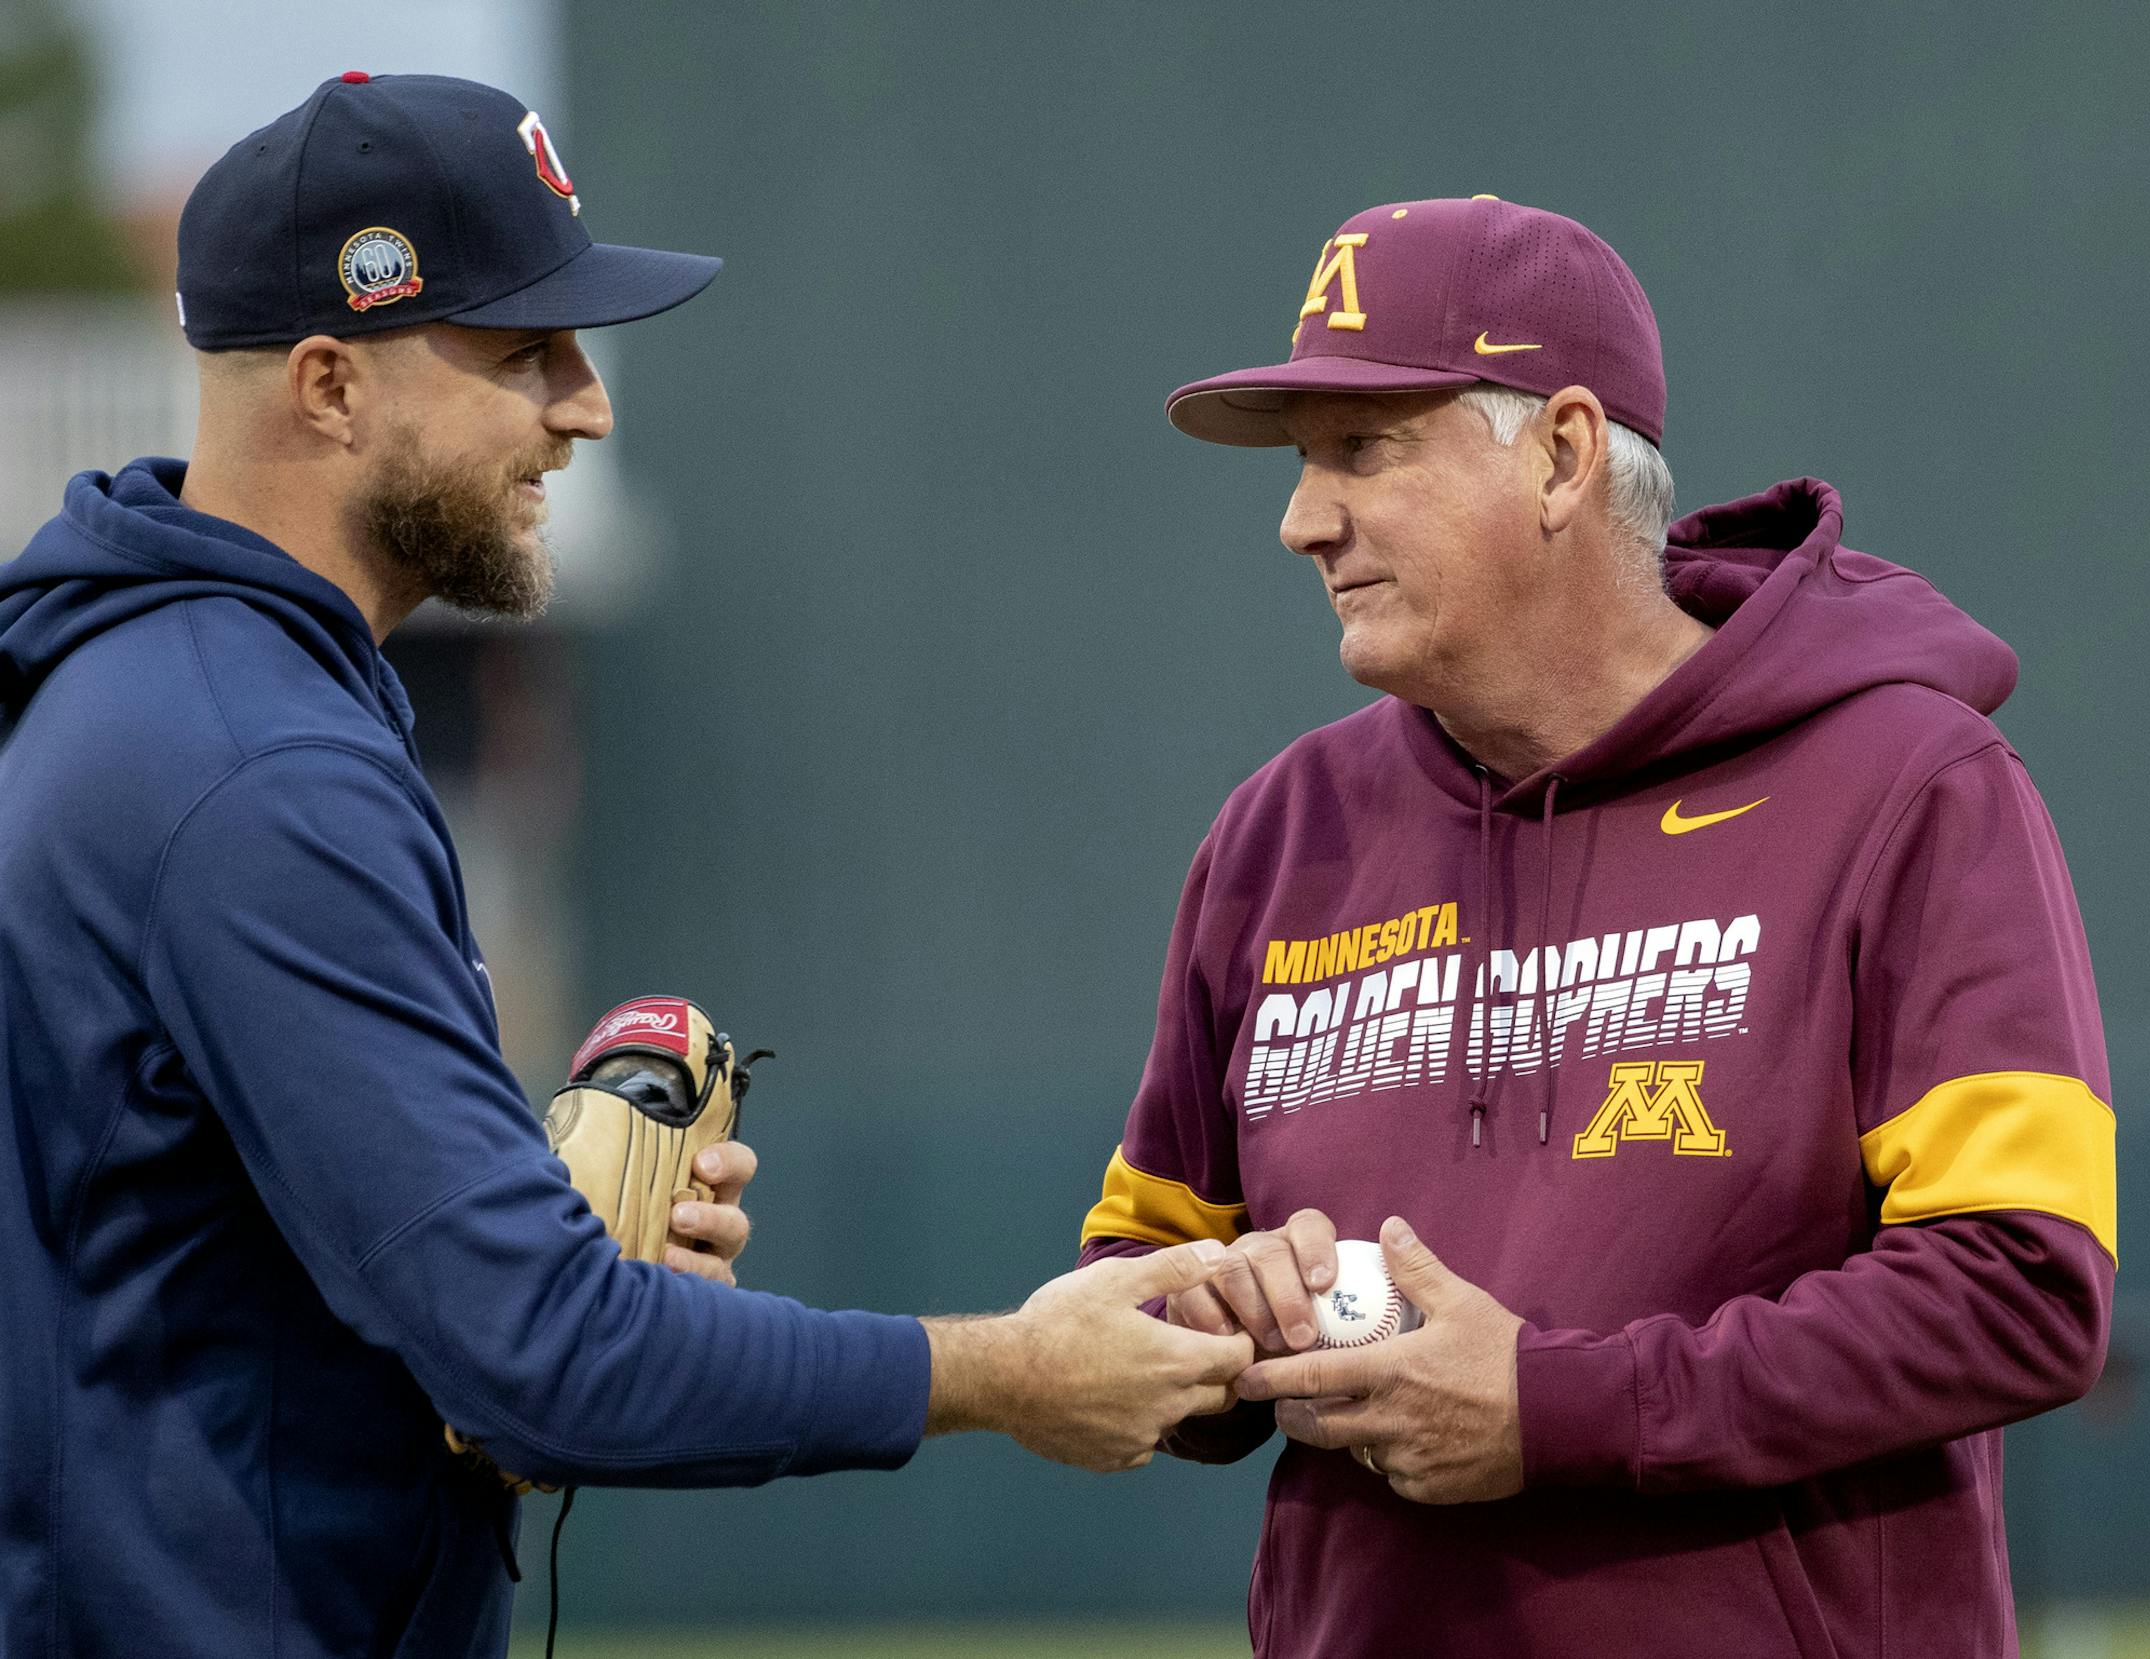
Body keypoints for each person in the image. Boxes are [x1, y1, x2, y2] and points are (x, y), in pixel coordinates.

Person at [0, 73, 1251, 1659]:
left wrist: (494, 1240)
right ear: (327, 384)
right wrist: (1008, 1370)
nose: (585, 403)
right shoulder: (255, 770)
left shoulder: (132, 693)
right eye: (526, 350)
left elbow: (245, 1290)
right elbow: (543, 1368)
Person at [1073, 195, 2115, 1657]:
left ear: (1562, 457)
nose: (1304, 519)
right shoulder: (1280, 833)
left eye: (1364, 450)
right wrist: (1206, 1320)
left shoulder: (1907, 787)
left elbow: (2021, 1288)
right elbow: (1133, 1278)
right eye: (1306, 463)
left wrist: (1555, 1409)